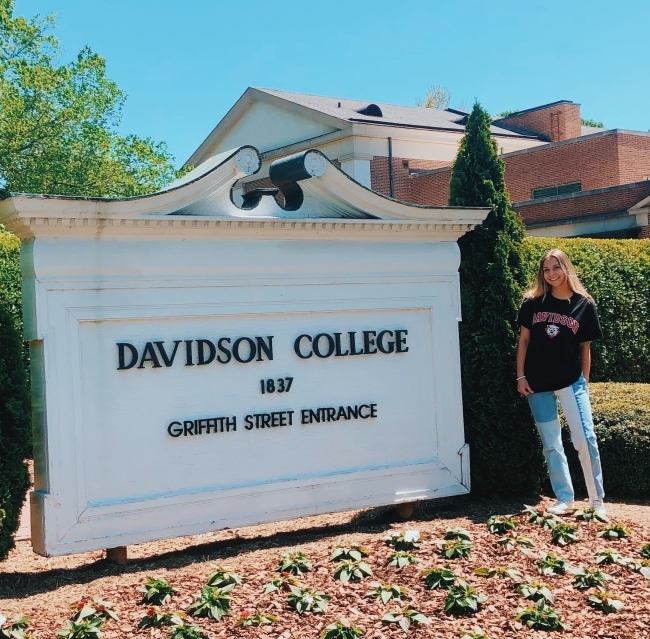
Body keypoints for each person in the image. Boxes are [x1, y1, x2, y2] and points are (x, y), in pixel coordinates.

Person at [516, 249, 606, 518]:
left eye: (556, 267)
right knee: (552, 444)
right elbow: (523, 341)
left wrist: (584, 383)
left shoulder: (584, 304)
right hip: (537, 384)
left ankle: (596, 502)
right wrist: (520, 376)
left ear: (566, 268)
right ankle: (565, 499)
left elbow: (585, 348)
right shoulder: (532, 303)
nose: (551, 274)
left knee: (585, 439)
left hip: (571, 382)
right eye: (546, 269)